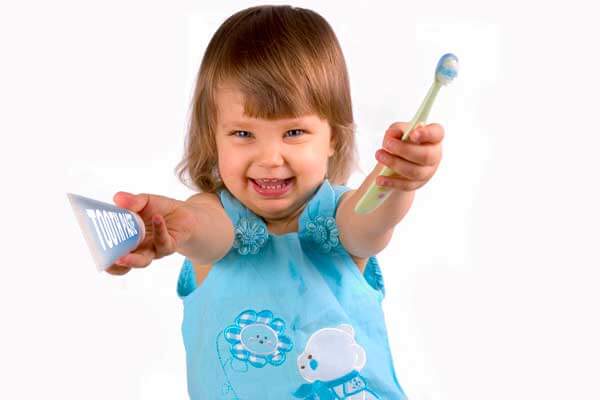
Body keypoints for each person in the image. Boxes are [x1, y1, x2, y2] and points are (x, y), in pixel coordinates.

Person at [108, 5, 444, 399]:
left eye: (295, 132)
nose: (269, 158)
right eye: (243, 134)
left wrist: (397, 180)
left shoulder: (339, 218)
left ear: (332, 137)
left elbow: (371, 222)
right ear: (212, 137)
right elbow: (205, 230)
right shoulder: (215, 219)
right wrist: (174, 223)